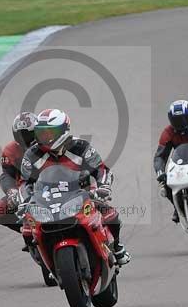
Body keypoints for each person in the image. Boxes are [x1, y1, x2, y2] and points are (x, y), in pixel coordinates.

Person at [20, 108, 131, 265]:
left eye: (49, 133)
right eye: (41, 133)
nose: (44, 137)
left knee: (110, 214)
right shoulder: (32, 154)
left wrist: (103, 186)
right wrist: (25, 200)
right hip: (46, 198)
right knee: (26, 228)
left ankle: (117, 247)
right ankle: (44, 261)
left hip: (81, 192)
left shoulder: (81, 147)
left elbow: (100, 169)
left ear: (63, 131)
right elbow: (25, 182)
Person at [0, 112, 37, 250]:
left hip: (51, 185)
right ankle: (29, 231)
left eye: (28, 134)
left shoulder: (47, 144)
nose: (25, 138)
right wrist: (12, 192)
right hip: (26, 190)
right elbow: (6, 175)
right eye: (21, 135)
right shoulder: (11, 151)